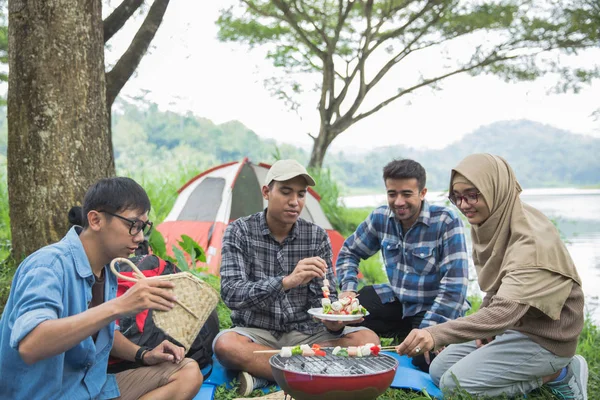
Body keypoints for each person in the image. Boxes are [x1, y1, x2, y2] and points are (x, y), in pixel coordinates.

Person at [396, 154, 588, 399]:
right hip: (514, 326)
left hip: (545, 339)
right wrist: (485, 330)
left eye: (473, 194)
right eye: (458, 197)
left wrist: (435, 333)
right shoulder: (495, 221)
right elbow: (498, 290)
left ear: (495, 189)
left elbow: (503, 311)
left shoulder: (531, 241)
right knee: (438, 370)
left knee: (454, 386)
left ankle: (559, 373)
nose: (464, 205)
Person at [0, 177, 203, 400]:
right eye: (132, 225)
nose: (140, 237)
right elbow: (31, 346)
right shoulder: (48, 266)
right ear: (96, 220)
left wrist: (143, 354)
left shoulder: (107, 267)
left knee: (187, 372)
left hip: (88, 388)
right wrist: (118, 306)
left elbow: (101, 332)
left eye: (144, 227)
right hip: (46, 394)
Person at [213, 159, 380, 396]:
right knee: (226, 345)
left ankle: (269, 377)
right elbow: (231, 293)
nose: (294, 202)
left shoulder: (316, 237)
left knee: (367, 339)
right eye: (286, 192)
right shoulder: (239, 231)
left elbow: (326, 299)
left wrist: (334, 321)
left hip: (308, 334)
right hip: (258, 331)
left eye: (301, 194)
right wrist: (285, 282)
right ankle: (318, 372)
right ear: (266, 192)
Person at [336, 159, 469, 368]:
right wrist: (348, 290)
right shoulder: (380, 218)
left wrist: (430, 331)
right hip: (399, 301)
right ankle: (402, 331)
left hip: (434, 308)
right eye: (392, 194)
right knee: (341, 317)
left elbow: (455, 287)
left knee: (424, 359)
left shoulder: (446, 221)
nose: (398, 202)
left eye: (406, 194)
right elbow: (349, 252)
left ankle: (421, 334)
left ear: (422, 193)